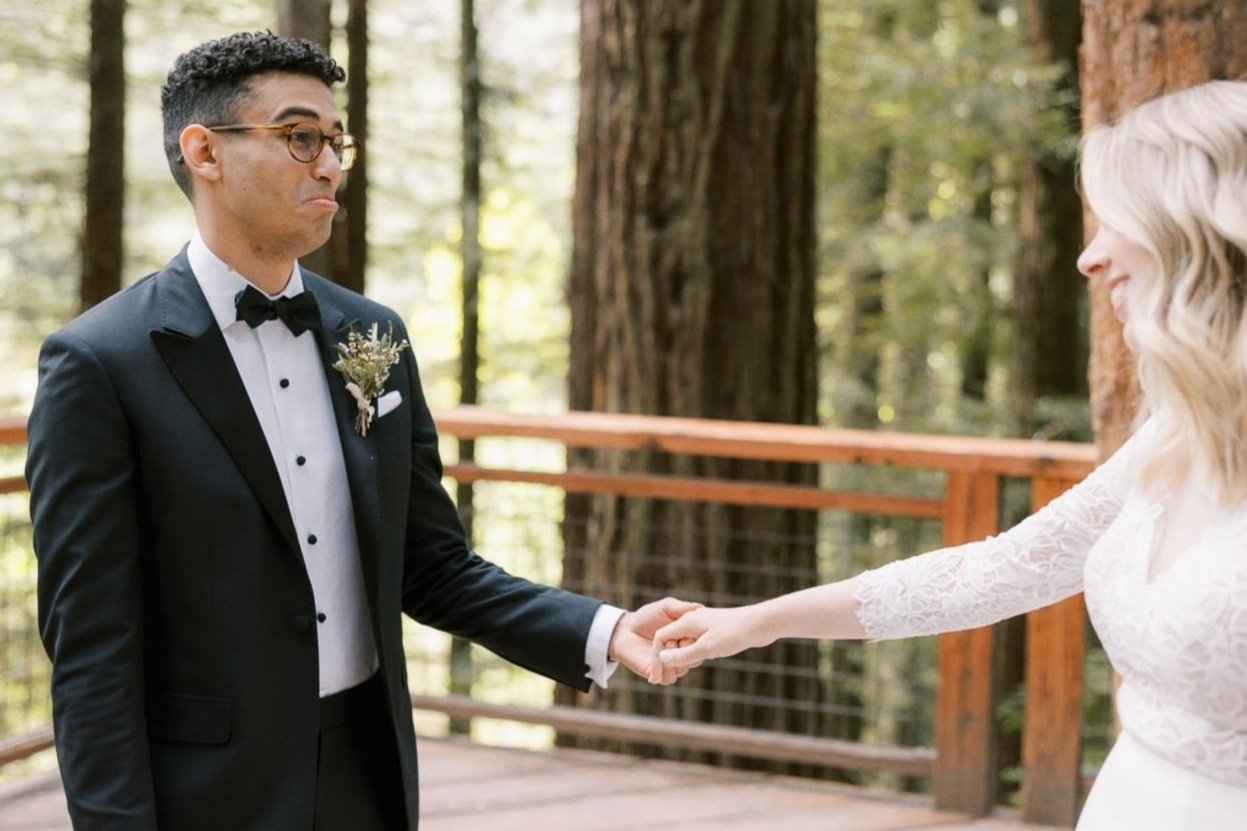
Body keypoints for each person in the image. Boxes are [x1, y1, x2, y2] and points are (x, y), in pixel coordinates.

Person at [25, 31, 696, 831]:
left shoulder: (369, 336)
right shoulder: (100, 363)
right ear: (204, 151)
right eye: (299, 136)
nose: (330, 165)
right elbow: (93, 650)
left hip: (367, 771)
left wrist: (605, 630)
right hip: (207, 790)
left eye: (335, 141)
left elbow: (432, 564)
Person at [651, 79, 1247, 830]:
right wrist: (756, 621)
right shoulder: (1171, 436)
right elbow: (998, 568)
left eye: (1115, 222)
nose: (1087, 259)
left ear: (1200, 230)